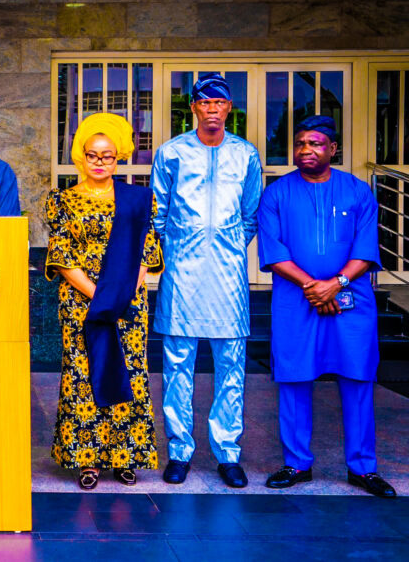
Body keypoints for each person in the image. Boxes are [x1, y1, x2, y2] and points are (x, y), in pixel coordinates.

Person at [259, 115, 396, 497]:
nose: (306, 150)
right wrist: (313, 287)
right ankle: (297, 464)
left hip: (352, 301)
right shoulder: (276, 194)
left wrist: (335, 285)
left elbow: (366, 250)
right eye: (300, 143)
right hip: (295, 300)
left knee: (357, 379)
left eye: (316, 143)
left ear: (332, 149)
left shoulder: (357, 192)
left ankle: (362, 468)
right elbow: (274, 251)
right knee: (294, 378)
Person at [151, 73, 263, 488]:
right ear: (194, 107)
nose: (212, 109)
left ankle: (228, 454)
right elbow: (157, 214)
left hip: (229, 276)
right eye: (205, 103)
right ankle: (179, 451)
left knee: (231, 365)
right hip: (182, 272)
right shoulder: (171, 153)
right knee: (177, 363)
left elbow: (250, 216)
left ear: (228, 109)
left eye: (220, 103)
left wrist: (228, 247)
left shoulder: (246, 155)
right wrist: (181, 250)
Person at [45, 114, 163, 489]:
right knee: (84, 376)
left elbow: (147, 250)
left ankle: (124, 455)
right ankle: (87, 458)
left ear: (119, 158)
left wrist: (124, 295)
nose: (100, 162)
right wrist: (102, 297)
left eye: (108, 156)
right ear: (81, 156)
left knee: (129, 373)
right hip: (83, 304)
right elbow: (63, 257)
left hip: (128, 304)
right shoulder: (62, 200)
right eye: (93, 155)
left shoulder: (138, 198)